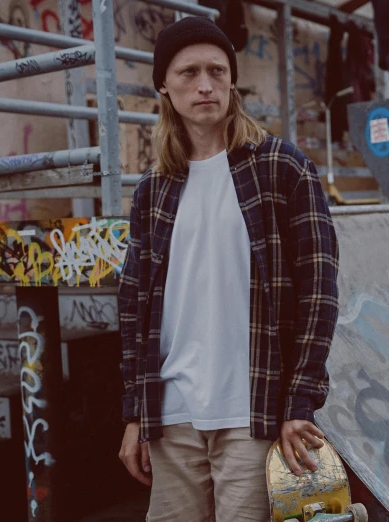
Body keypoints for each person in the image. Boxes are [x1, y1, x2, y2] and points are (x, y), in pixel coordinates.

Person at [116, 16, 340, 521]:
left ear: (232, 81)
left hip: (252, 413)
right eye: (189, 72)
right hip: (172, 414)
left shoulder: (283, 168)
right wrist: (136, 413)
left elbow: (319, 295)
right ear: (164, 87)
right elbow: (133, 308)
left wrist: (300, 403)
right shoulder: (154, 189)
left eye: (217, 71)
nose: (204, 85)